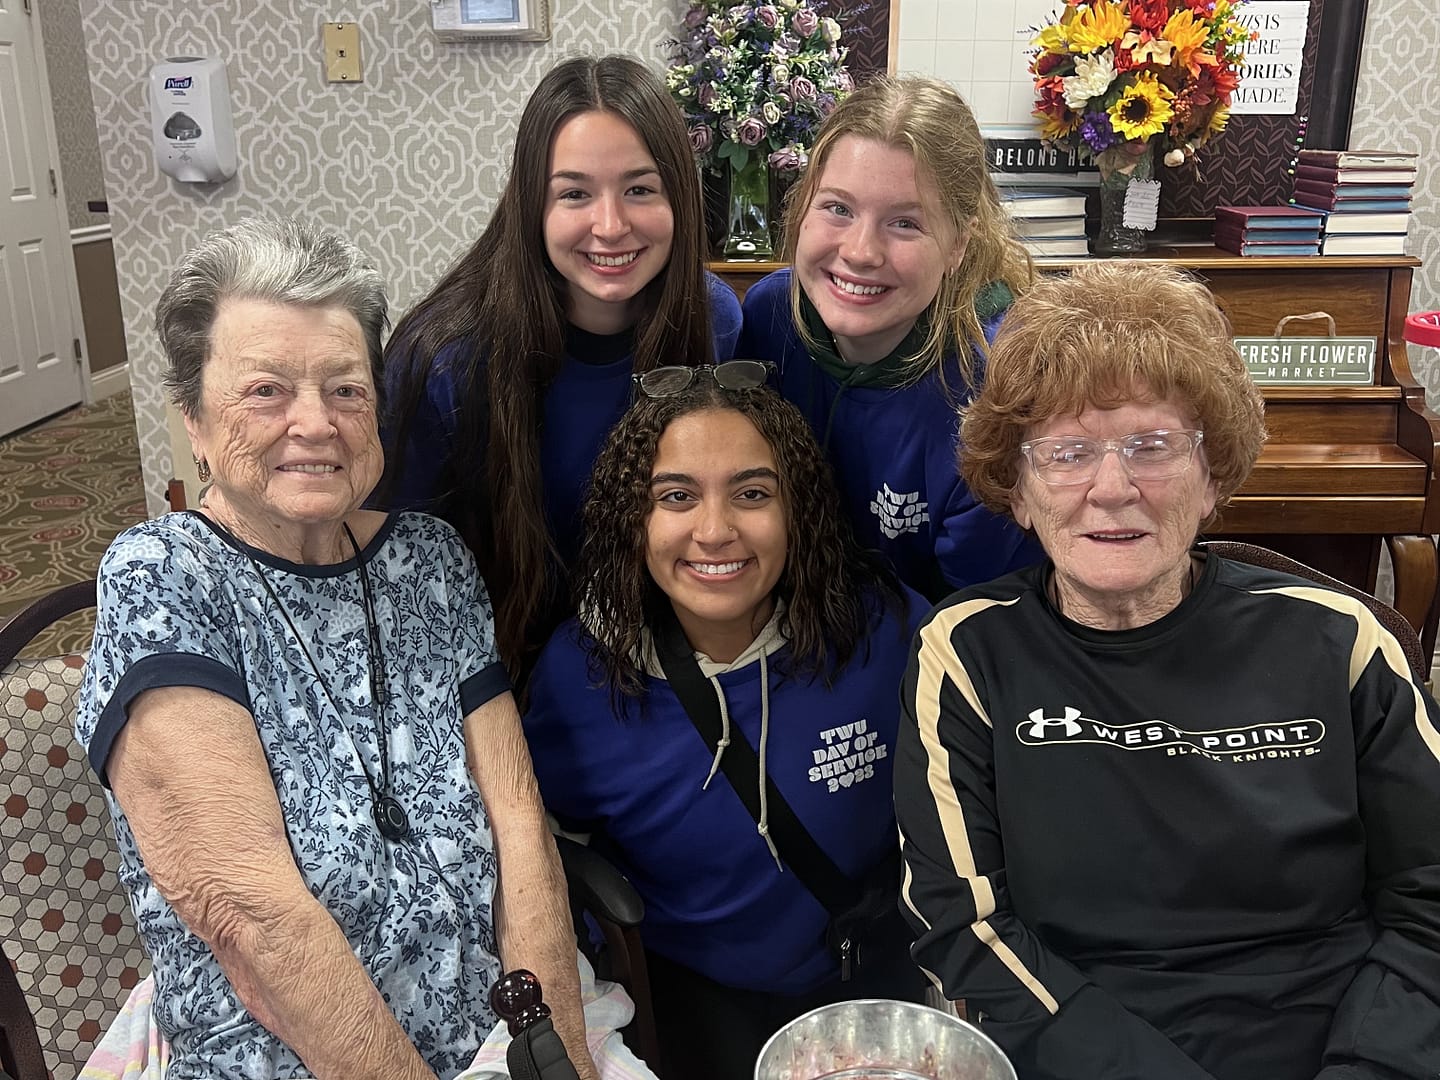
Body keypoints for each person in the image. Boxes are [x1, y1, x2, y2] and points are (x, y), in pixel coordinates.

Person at [75, 218, 599, 1080]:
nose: (315, 423)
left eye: (346, 390)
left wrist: (560, 1058)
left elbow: (518, 823)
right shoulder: (164, 578)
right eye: (267, 391)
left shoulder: (428, 560)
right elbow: (255, 920)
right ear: (194, 420)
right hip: (287, 1058)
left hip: (494, 1033)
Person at [894, 261, 1440, 1080]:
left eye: (1152, 447)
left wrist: (1373, 1067)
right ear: (1018, 489)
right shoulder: (967, 652)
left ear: (1212, 475)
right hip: (1083, 1051)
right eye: (1067, 452)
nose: (1112, 489)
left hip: (1338, 1045)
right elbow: (963, 929)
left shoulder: (1341, 639)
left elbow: (1430, 892)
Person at [523, 368, 925, 1079]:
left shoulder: (879, 630)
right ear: (634, 519)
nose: (714, 532)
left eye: (752, 494)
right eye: (676, 497)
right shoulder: (581, 676)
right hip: (696, 996)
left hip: (871, 976)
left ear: (797, 510)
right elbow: (553, 854)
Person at [381, 55, 743, 675]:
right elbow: (398, 580)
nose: (611, 225)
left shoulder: (714, 320)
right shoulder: (443, 358)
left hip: (662, 661)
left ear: (679, 196)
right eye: (574, 193)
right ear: (532, 205)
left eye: (640, 189)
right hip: (492, 670)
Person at [737, 75, 1039, 600]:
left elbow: (982, 620)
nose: (860, 252)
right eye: (838, 208)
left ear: (958, 244)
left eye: (904, 223)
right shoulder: (770, 317)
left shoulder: (995, 388)